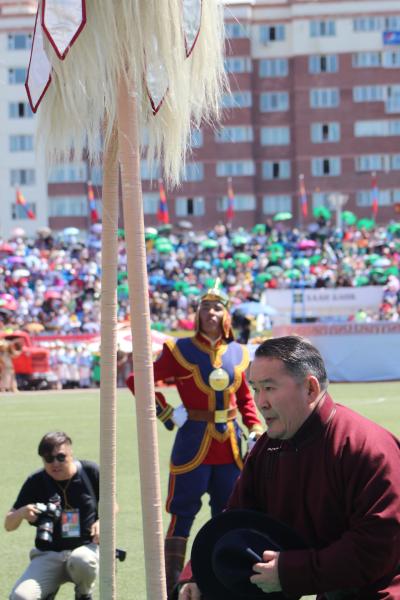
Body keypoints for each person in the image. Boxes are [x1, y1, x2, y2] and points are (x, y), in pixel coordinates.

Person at [179, 335, 400, 599]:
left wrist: (289, 572)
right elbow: (236, 519)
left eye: (269, 388)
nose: (260, 402)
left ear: (310, 389)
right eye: (255, 388)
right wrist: (198, 576)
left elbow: (376, 547)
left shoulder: (367, 448)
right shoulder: (268, 448)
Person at [126, 279, 263, 598]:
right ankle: (171, 588)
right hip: (193, 446)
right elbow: (137, 379)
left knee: (229, 515)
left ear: (226, 315)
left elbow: (244, 398)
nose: (210, 313)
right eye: (205, 308)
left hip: (230, 448)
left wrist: (255, 426)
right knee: (182, 516)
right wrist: (166, 412)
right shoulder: (179, 350)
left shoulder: (239, 352)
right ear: (197, 314)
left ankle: (222, 584)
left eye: (217, 308)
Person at [4, 431, 100, 600]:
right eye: (49, 459)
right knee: (20, 597)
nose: (55, 463)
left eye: (61, 457)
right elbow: (8, 525)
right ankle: (47, 592)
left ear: (71, 454)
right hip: (48, 554)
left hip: (85, 549)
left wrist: (102, 521)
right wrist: (21, 512)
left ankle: (84, 594)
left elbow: (113, 504)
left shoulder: (90, 472)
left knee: (82, 560)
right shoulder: (36, 481)